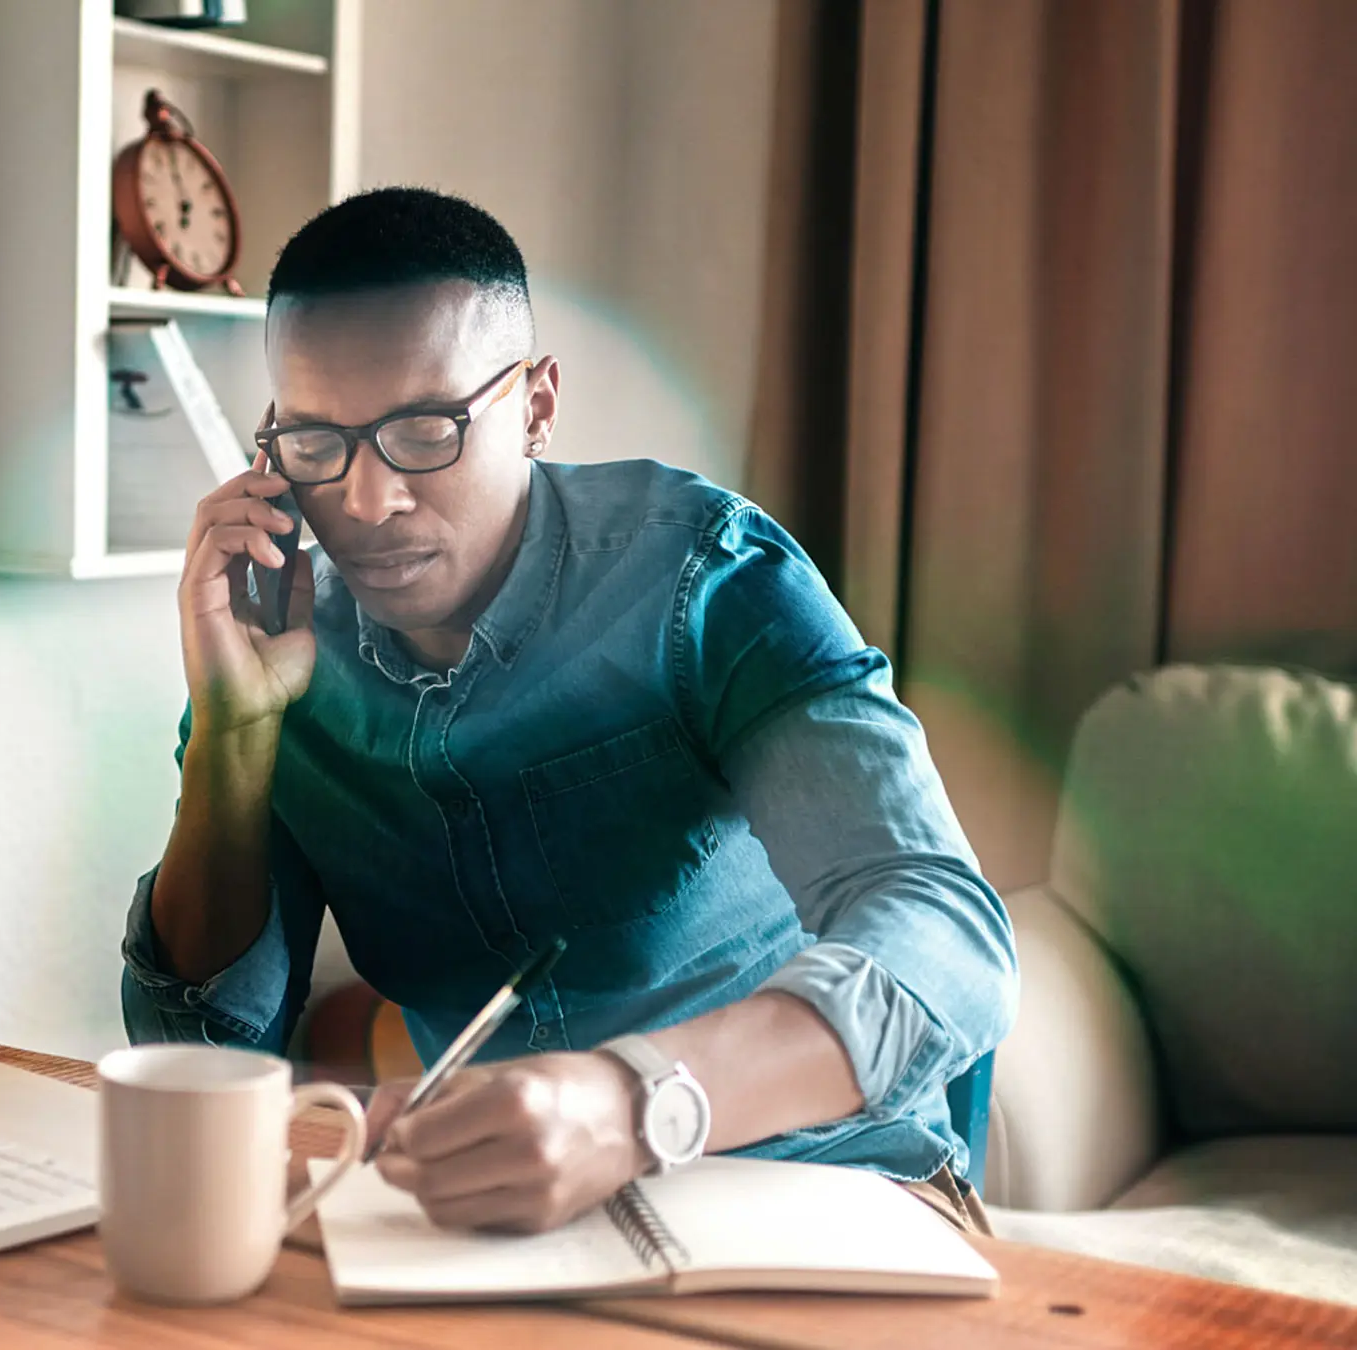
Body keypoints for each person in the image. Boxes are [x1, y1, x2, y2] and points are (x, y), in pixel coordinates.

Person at [121, 187, 1016, 1236]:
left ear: (537, 406)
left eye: (425, 429)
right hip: (513, 1226)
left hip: (828, 1189)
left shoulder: (704, 583)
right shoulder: (282, 646)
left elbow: (948, 935)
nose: (367, 504)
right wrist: (232, 734)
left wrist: (638, 1102)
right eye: (317, 443)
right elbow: (202, 1054)